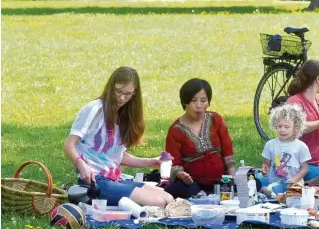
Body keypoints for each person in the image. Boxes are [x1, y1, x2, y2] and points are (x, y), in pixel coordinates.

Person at [62, 67, 174, 207]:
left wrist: (151, 161)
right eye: (118, 91)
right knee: (157, 202)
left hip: (115, 178)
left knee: (168, 198)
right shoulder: (94, 110)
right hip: (95, 181)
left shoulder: (125, 116)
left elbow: (117, 155)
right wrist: (81, 164)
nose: (122, 98)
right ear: (111, 86)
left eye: (127, 94)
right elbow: (69, 145)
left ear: (134, 93)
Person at [163, 79, 238, 198]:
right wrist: (181, 174)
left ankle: (206, 195)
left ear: (208, 102)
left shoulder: (215, 119)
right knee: (177, 189)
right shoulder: (175, 130)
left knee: (252, 183)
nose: (199, 105)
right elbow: (174, 162)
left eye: (203, 100)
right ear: (184, 102)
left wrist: (232, 177)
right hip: (193, 182)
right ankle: (203, 194)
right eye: (193, 101)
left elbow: (227, 150)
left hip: (221, 179)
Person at [260, 104, 311, 194]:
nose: (282, 130)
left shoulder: (301, 146)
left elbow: (304, 169)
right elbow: (266, 163)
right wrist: (265, 169)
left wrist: (294, 180)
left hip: (295, 183)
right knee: (271, 191)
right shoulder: (270, 144)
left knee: (296, 193)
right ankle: (268, 192)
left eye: (286, 127)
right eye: (279, 126)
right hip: (276, 183)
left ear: (296, 127)